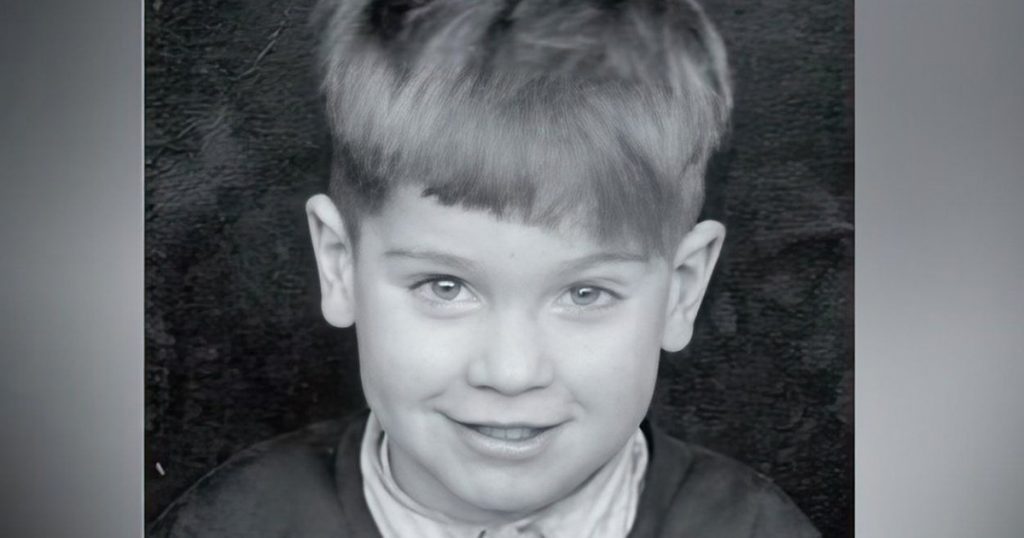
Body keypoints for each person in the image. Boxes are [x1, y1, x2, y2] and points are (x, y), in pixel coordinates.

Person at [150, 0, 819, 536]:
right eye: (444, 286)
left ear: (682, 290)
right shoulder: (232, 524)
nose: (511, 372)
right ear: (339, 264)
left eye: (586, 292)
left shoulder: (752, 530)